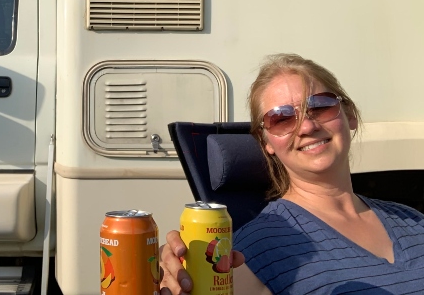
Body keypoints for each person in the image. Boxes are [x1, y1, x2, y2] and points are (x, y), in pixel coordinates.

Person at [160, 53, 424, 294]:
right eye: (282, 118)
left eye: (320, 106)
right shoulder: (258, 245)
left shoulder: (413, 220)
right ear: (266, 143)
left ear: (350, 114)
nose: (307, 126)